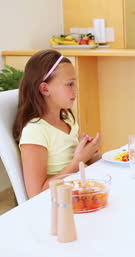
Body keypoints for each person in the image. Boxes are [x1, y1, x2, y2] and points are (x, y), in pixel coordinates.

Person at [12, 49, 101, 198]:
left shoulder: (68, 119)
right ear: (45, 89)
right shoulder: (35, 131)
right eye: (69, 84)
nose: (76, 89)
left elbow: (76, 159)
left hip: (79, 194)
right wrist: (78, 161)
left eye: (75, 83)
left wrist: (91, 153)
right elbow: (36, 193)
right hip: (57, 205)